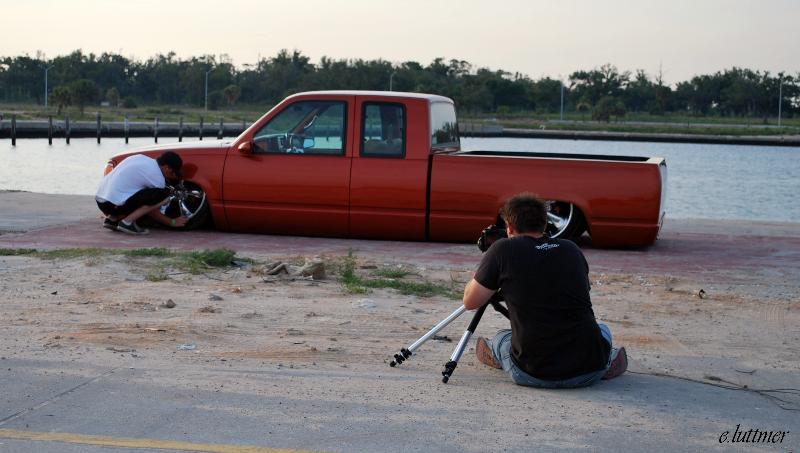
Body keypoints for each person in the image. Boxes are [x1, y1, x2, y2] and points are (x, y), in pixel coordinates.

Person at [463, 193, 627, 388]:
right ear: (544, 224)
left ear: (510, 227)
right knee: (602, 329)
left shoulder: (502, 249)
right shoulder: (571, 249)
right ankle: (607, 360)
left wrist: (482, 272)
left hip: (532, 373)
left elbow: (470, 302)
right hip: (590, 370)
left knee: (502, 338)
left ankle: (497, 355)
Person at [95, 151, 188, 235]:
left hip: (101, 200)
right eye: (173, 173)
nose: (172, 176)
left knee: (128, 190)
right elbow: (151, 210)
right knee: (165, 196)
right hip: (112, 205)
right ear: (167, 168)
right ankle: (127, 222)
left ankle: (112, 219)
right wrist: (172, 222)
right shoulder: (158, 179)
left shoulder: (140, 157)